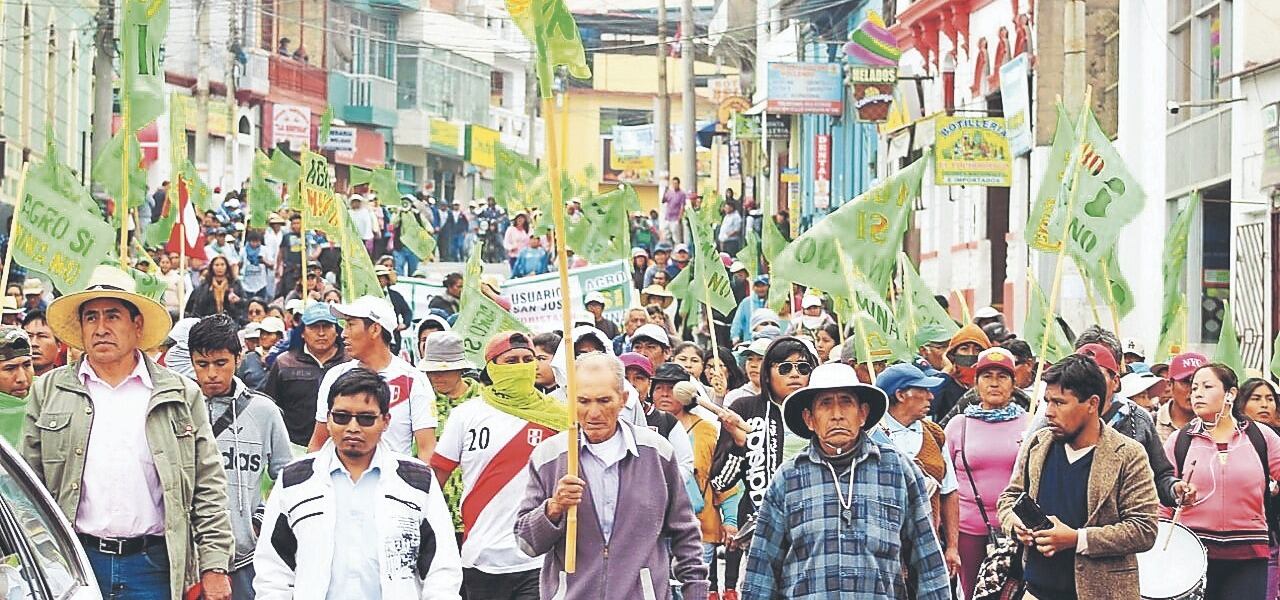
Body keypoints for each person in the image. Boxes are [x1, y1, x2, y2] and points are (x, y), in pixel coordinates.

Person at [21, 265, 234, 599]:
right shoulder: (48, 391)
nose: (101, 328)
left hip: (153, 565)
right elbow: (28, 491)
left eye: (112, 316)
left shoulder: (179, 393)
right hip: (73, 563)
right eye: (91, 317)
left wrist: (215, 566)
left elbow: (208, 485)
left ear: (137, 325)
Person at [742, 362, 951, 599]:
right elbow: (762, 570)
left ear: (862, 414)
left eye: (846, 402)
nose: (837, 415)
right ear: (809, 419)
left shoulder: (898, 470)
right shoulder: (788, 478)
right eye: (825, 404)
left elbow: (927, 562)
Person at [254, 367, 463, 598]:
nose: (353, 428)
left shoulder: (417, 481)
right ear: (329, 418)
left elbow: (441, 568)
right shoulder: (295, 481)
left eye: (366, 419)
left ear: (385, 421)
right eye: (341, 417)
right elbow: (273, 570)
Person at [513, 353, 708, 599]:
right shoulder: (549, 456)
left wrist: (696, 592)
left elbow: (686, 535)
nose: (593, 413)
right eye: (583, 401)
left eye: (604, 400)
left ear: (623, 399)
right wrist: (553, 508)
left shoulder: (656, 453)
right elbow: (527, 543)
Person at [999, 354, 1160, 600]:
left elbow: (1143, 529)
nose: (1049, 412)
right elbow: (1009, 498)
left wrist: (1076, 539)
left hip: (1102, 593)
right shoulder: (1038, 444)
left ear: (1092, 404)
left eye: (1060, 403)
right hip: (1036, 591)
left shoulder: (1128, 454)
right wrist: (1015, 524)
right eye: (1047, 402)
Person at [431, 332, 568, 599]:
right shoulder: (465, 416)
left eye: (527, 359)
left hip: (536, 559)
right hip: (479, 558)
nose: (521, 366)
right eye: (511, 360)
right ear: (492, 367)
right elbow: (437, 476)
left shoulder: (558, 417)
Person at [187, 314, 293, 599]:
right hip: (186, 559)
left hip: (245, 557)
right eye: (202, 364)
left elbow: (288, 478)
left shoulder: (264, 412)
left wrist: (260, 519)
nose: (211, 374)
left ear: (238, 357)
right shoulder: (177, 408)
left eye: (221, 363)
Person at [1165, 363, 1280, 599]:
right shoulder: (1179, 441)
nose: (1196, 393)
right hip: (1191, 556)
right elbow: (1161, 495)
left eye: (1207, 386)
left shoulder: (1261, 436)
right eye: (1194, 387)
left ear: (1231, 394)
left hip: (1249, 554)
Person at [943, 347, 1032, 597]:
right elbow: (944, 482)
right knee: (973, 594)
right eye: (987, 376)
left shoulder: (1030, 423)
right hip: (969, 531)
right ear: (975, 382)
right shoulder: (958, 426)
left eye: (1002, 376)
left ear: (1014, 383)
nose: (994, 383)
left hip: (1018, 531)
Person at [651, 364, 743, 600]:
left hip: (699, 528)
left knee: (690, 590)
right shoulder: (645, 428)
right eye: (658, 387)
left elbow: (724, 477)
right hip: (655, 529)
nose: (663, 393)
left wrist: (730, 521)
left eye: (671, 388)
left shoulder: (706, 430)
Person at [308, 296, 437, 461]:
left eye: (350, 325)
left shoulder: (413, 381)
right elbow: (318, 444)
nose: (343, 334)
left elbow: (427, 449)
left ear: (375, 329)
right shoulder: (335, 376)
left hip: (393, 484)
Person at [873, 363, 962, 575]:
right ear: (901, 395)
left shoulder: (935, 434)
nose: (931, 397)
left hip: (928, 546)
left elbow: (949, 492)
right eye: (923, 390)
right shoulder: (870, 436)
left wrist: (952, 546)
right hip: (883, 551)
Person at [1074, 342, 1185, 508]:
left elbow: (1159, 477)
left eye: (1097, 376)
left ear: (1116, 381)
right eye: (1078, 377)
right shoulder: (1056, 419)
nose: (1087, 383)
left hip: (1122, 526)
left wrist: (1174, 489)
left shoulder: (1139, 419)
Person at [263, 302, 348, 446]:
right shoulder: (284, 363)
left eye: (327, 326)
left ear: (337, 330)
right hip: (294, 446)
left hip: (341, 446)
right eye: (314, 327)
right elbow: (270, 407)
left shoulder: (351, 362)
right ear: (302, 332)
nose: (321, 333)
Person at [932, 323, 992, 422]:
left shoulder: (992, 385)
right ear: (953, 354)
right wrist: (947, 370)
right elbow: (930, 406)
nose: (971, 354)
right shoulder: (945, 383)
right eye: (964, 349)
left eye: (977, 350)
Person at [1156, 352, 1207, 442]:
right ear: (1170, 385)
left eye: (1203, 384)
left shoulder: (1217, 427)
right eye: (1186, 382)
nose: (1193, 389)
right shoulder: (1151, 423)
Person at [185, 255, 247, 323]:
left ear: (226, 267)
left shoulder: (235, 284)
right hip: (209, 323)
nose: (219, 267)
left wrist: (237, 300)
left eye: (222, 265)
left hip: (231, 322)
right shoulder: (205, 286)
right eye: (216, 265)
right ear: (212, 267)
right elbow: (198, 306)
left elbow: (245, 303)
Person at [376, 265, 413, 353]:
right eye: (377, 277)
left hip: (394, 338)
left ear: (387, 279)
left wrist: (405, 324)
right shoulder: (368, 297)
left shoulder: (395, 296)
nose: (380, 280)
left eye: (382, 277)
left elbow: (407, 312)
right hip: (375, 338)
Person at [22, 310, 64, 377]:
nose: (33, 343)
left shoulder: (68, 382)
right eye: (29, 336)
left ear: (59, 346)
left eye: (42, 336)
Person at [730, 275, 769, 344]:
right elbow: (738, 321)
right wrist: (735, 337)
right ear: (753, 287)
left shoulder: (772, 302)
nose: (760, 289)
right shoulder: (746, 302)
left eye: (763, 285)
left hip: (769, 341)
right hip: (750, 342)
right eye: (757, 286)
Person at [660, 177, 688, 244]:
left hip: (675, 219)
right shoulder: (669, 192)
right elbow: (663, 201)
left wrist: (679, 218)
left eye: (676, 183)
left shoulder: (682, 194)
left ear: (678, 184)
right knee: (666, 237)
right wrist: (665, 191)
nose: (674, 185)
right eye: (673, 183)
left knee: (676, 238)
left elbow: (682, 206)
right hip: (667, 218)